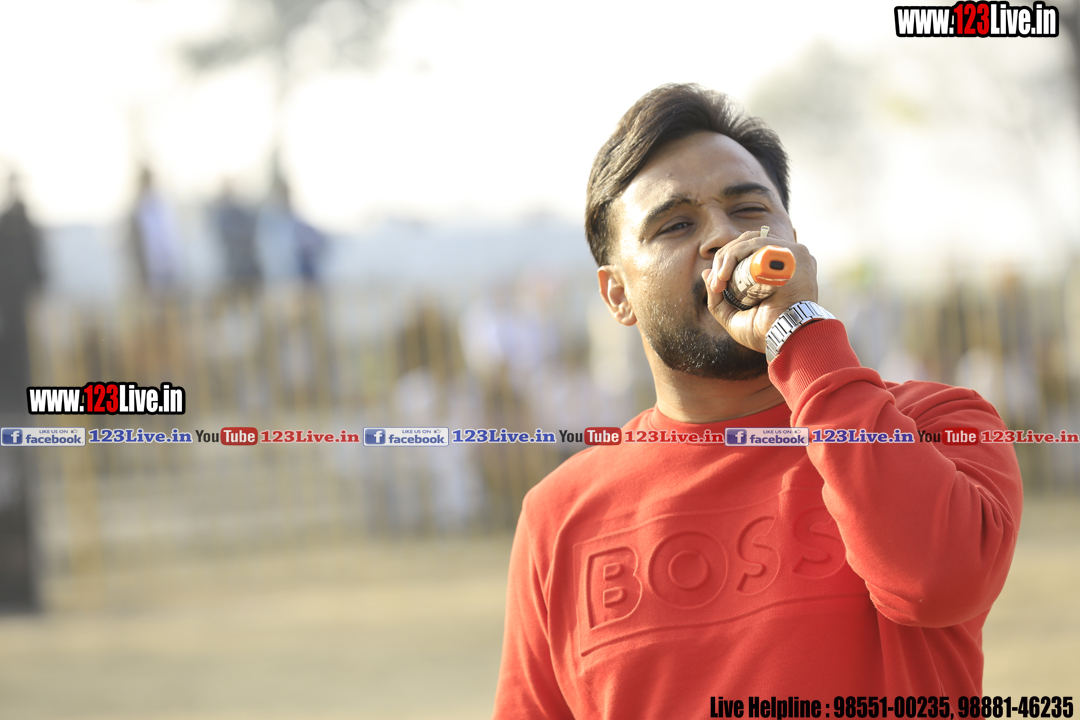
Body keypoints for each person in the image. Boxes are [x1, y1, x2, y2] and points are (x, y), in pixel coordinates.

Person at [491, 84, 1022, 716]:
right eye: (676, 225)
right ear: (617, 295)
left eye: (748, 210)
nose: (723, 237)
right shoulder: (559, 515)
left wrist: (801, 333)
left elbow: (937, 582)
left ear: (792, 240)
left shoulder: (937, 423)